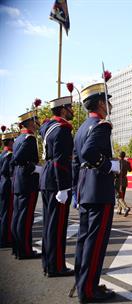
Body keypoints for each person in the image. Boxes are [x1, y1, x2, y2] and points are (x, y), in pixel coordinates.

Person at [72, 83, 119, 302]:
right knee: (96, 242)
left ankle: (84, 283)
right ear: (101, 104)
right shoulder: (102, 125)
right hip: (99, 189)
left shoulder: (82, 128)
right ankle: (89, 291)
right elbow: (88, 152)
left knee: (85, 240)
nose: (110, 104)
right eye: (107, 101)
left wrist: (75, 190)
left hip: (85, 189)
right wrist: (110, 166)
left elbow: (76, 161)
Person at [39, 96, 74, 277]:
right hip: (57, 180)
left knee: (49, 225)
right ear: (62, 110)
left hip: (47, 178)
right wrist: (63, 187)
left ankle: (48, 263)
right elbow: (61, 160)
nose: (72, 111)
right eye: (69, 107)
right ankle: (57, 266)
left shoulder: (47, 127)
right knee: (58, 226)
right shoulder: (62, 130)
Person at [11, 110, 42, 259]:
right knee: (25, 219)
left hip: (19, 182)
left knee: (18, 217)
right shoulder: (29, 138)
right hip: (27, 183)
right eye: (36, 120)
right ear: (30, 122)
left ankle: (17, 249)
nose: (37, 123)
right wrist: (35, 168)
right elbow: (18, 159)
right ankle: (25, 251)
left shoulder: (18, 139)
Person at [0, 131, 17, 248]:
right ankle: (6, 238)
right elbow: (7, 170)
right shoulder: (9, 155)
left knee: (4, 212)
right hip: (7, 184)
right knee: (8, 213)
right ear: (10, 142)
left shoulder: (3, 154)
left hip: (3, 183)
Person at [114, 151, 132, 216]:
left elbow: (114, 172)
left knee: (118, 196)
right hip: (124, 180)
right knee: (122, 196)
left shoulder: (117, 162)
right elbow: (130, 170)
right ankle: (119, 210)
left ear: (119, 156)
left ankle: (125, 208)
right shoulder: (127, 162)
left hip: (118, 180)